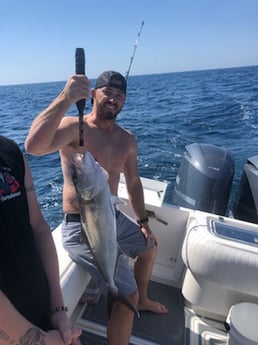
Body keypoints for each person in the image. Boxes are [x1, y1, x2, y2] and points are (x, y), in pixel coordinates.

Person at [25, 71, 168, 345]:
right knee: (127, 294)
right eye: (108, 93)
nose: (114, 99)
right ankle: (126, 300)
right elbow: (33, 146)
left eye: (119, 96)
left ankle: (145, 298)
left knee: (149, 248)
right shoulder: (73, 127)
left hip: (110, 216)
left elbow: (135, 184)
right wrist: (66, 97)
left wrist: (142, 221)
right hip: (81, 225)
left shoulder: (127, 140)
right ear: (93, 94)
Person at [0, 135, 81, 345]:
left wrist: (57, 309)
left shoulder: (10, 151)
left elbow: (39, 229)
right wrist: (37, 339)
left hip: (41, 317)